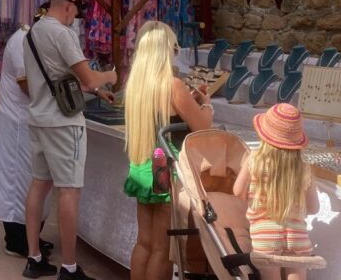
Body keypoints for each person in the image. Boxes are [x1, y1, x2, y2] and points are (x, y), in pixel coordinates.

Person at [21, 0, 117, 280]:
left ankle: (34, 258)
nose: (76, 19)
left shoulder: (32, 34)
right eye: (76, 12)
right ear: (68, 8)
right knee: (69, 191)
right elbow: (87, 77)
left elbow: (60, 75)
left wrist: (96, 90)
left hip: (39, 117)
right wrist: (109, 77)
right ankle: (70, 268)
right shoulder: (63, 34)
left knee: (39, 185)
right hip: (63, 123)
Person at [123, 21, 214, 280]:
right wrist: (206, 105)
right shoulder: (172, 85)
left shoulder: (136, 84)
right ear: (166, 49)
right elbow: (202, 125)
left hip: (141, 164)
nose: (176, 51)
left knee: (144, 242)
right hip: (164, 168)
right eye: (174, 47)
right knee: (163, 247)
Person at [0, 2, 54, 259]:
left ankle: (31, 236)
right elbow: (26, 84)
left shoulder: (37, 41)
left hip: (33, 120)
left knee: (32, 179)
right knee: (17, 181)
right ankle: (16, 240)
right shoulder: (21, 41)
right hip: (18, 122)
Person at [233, 104, 319, 280]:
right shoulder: (304, 169)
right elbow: (313, 208)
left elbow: (237, 191)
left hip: (265, 234)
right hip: (297, 235)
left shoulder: (254, 161)